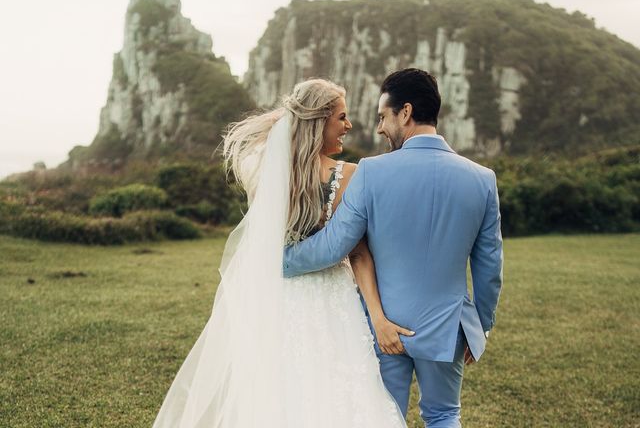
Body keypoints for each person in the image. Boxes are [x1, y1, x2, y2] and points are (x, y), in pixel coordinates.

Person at [152, 79, 409, 427]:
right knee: (337, 389)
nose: (348, 126)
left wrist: (292, 115)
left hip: (279, 298)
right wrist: (378, 317)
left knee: (278, 388)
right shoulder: (350, 175)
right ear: (319, 122)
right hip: (332, 298)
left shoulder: (264, 172)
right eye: (341, 117)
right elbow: (360, 254)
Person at [283, 68, 504, 427]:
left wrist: (279, 261)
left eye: (383, 117)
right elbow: (490, 268)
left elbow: (332, 246)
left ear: (405, 112)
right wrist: (481, 327)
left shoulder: (371, 172)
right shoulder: (482, 180)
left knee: (385, 416)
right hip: (448, 329)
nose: (380, 128)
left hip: (383, 327)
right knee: (444, 415)